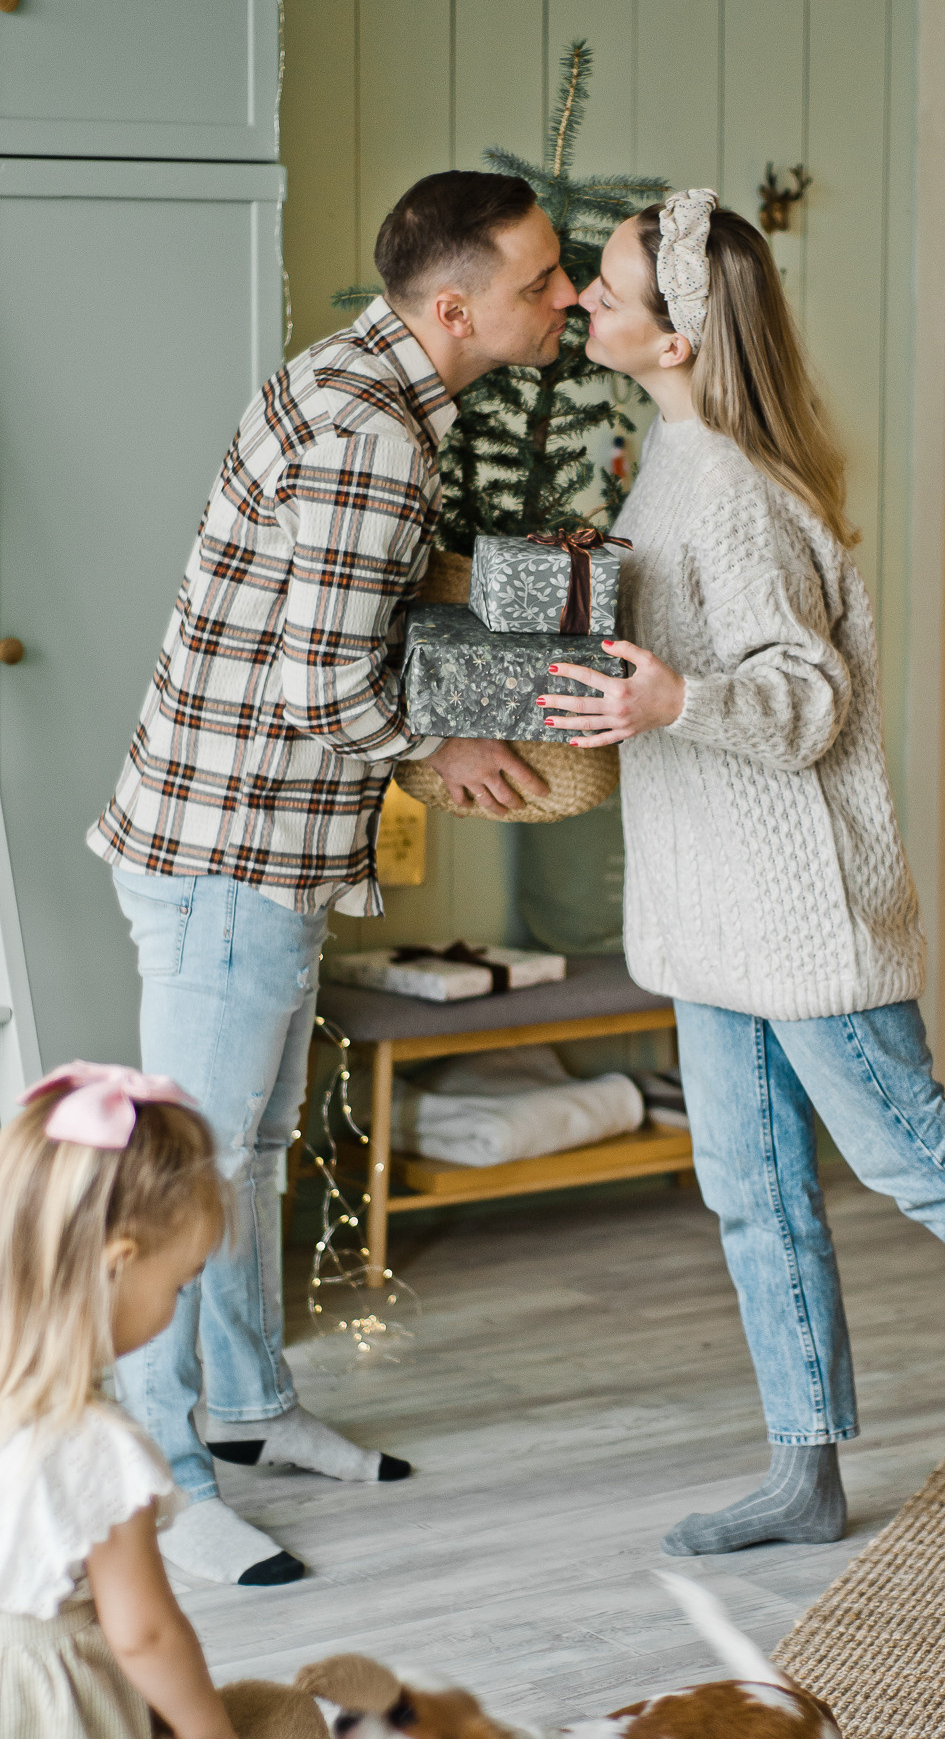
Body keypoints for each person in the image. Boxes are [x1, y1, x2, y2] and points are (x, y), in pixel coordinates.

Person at [540, 188, 945, 1548]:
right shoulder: (668, 462)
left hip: (800, 912)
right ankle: (804, 1472)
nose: (585, 298)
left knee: (921, 1163)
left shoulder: (735, 492)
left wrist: (674, 702)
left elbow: (805, 700)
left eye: (607, 284)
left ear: (677, 338)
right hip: (709, 912)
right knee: (752, 1196)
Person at [87, 170, 576, 1585]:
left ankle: (247, 1407)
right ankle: (157, 1484)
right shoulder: (374, 433)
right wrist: (445, 749)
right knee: (179, 1177)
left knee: (243, 1151)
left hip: (241, 844)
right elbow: (324, 688)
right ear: (455, 308)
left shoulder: (362, 381)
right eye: (541, 281)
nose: (563, 297)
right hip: (233, 854)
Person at [0, 1062, 238, 1739]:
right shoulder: (95, 1446)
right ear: (117, 1264)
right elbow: (145, 1634)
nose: (179, 1303)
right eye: (181, 1284)